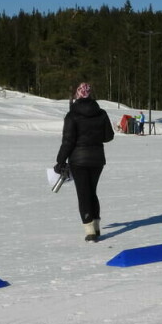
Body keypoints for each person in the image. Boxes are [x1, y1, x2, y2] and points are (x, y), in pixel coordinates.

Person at [55, 82, 115, 242]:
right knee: (92, 192)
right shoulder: (101, 113)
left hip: (78, 160)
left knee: (83, 194)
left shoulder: (72, 115)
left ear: (77, 95)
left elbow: (68, 141)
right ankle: (96, 226)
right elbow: (108, 136)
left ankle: (90, 231)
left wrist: (60, 161)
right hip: (97, 159)